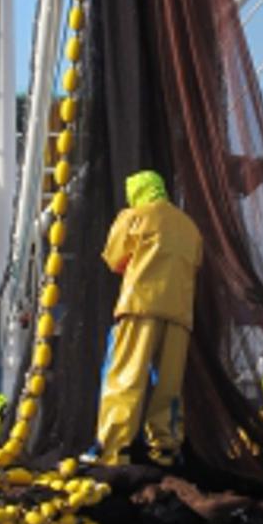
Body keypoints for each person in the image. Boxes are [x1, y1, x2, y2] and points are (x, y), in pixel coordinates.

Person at [91, 170, 203, 467]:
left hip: (139, 306)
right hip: (179, 314)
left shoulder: (134, 217)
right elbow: (195, 265)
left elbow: (115, 258)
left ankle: (113, 449)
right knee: (168, 385)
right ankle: (165, 448)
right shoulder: (190, 227)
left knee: (126, 378)